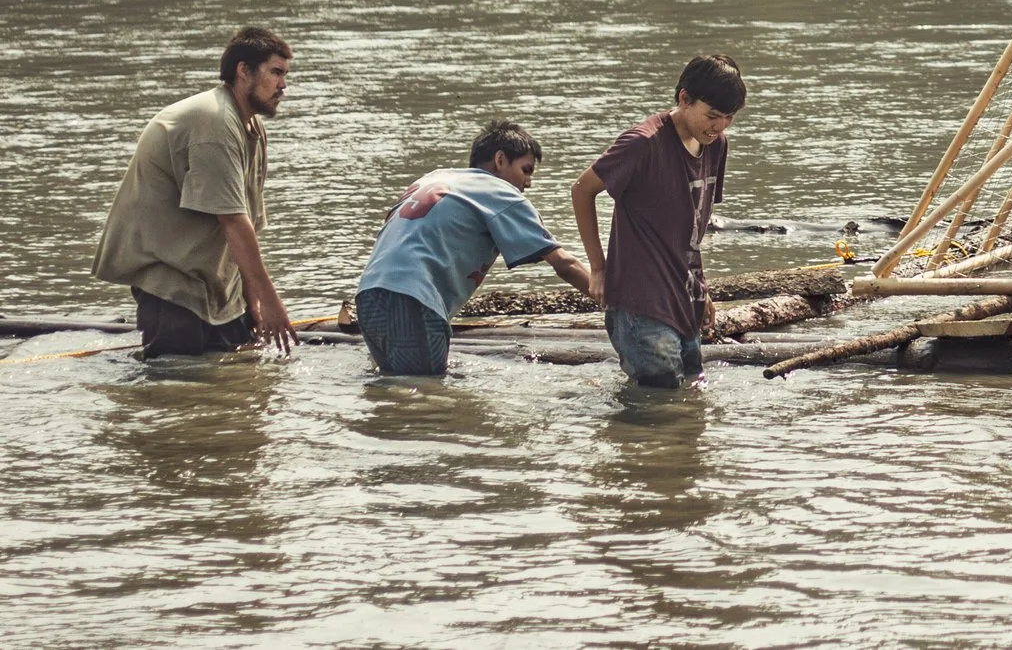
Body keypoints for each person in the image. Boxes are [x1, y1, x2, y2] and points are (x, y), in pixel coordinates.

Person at [92, 26, 298, 358]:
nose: (284, 85)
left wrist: (252, 301)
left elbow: (245, 222)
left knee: (231, 392)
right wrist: (273, 303)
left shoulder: (251, 127)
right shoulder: (213, 122)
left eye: (285, 74)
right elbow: (232, 219)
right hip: (173, 287)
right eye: (276, 73)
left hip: (216, 288)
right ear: (243, 70)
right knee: (175, 390)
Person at [355, 119, 596, 375]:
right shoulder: (500, 191)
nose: (528, 183)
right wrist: (614, 302)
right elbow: (564, 264)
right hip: (414, 300)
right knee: (425, 397)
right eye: (526, 170)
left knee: (392, 386)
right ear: (500, 160)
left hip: (369, 295)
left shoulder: (433, 178)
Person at [572, 54, 745, 388]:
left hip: (685, 300)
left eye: (729, 117)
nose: (720, 126)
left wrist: (702, 289)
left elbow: (691, 228)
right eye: (712, 116)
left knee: (690, 402)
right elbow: (582, 190)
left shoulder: (716, 145)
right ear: (684, 98)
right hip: (641, 304)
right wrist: (597, 267)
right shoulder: (643, 144)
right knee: (657, 406)